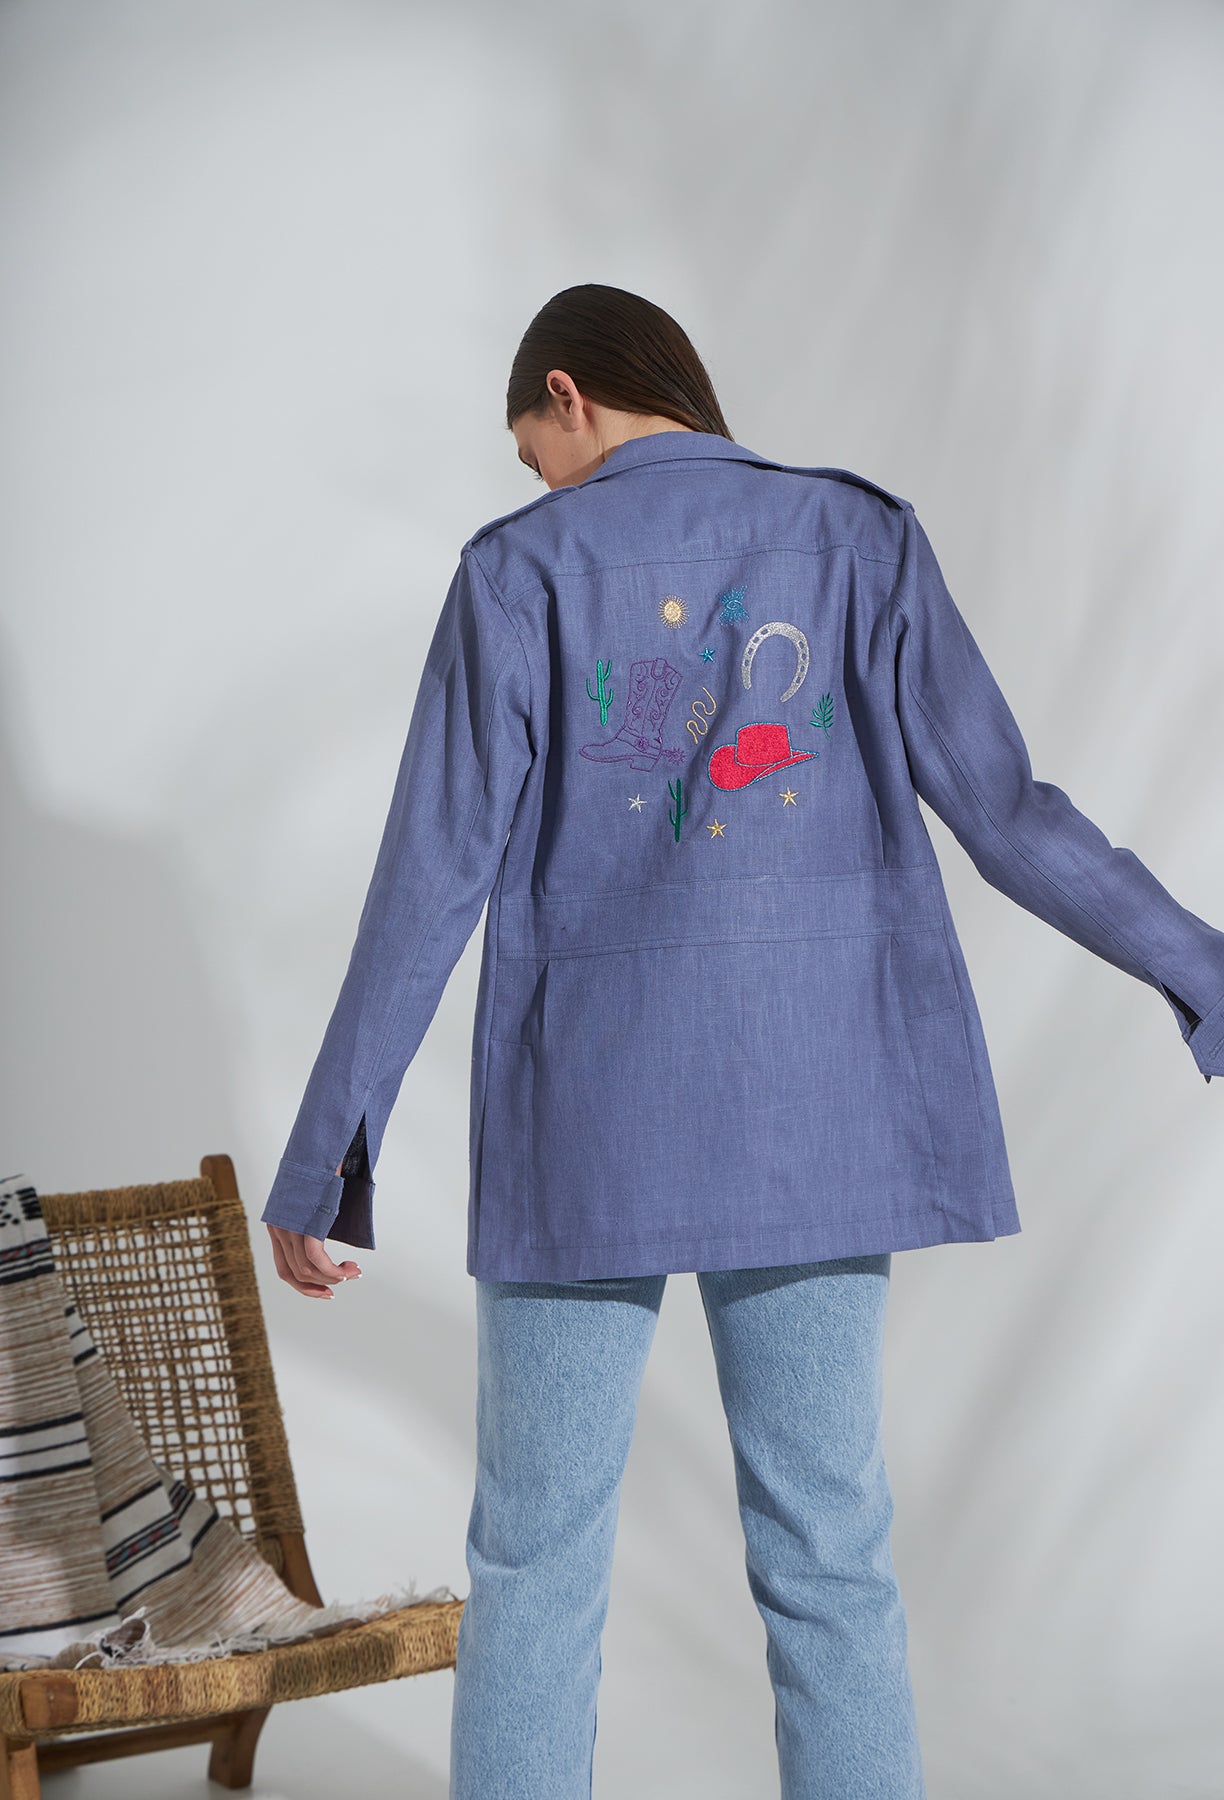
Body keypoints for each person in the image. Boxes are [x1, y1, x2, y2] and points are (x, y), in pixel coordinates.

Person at [260, 284, 1224, 1798]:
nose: (540, 488)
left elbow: (429, 875)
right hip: (817, 1117)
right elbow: (1009, 813)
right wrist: (1202, 969)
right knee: (829, 1550)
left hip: (590, 1126)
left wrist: (330, 1158)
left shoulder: (517, 573)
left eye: (532, 455)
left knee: (535, 1559)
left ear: (568, 394)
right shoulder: (860, 539)